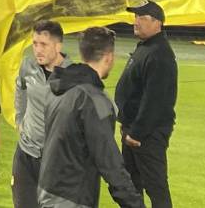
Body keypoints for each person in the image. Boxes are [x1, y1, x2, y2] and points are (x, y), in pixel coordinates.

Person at [39, 26, 144, 208]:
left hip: (48, 191)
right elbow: (110, 163)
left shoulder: (58, 88)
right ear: (109, 57)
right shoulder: (93, 100)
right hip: (72, 197)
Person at [114, 1, 177, 207]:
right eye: (135, 17)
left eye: (142, 18)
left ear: (157, 23)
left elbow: (155, 101)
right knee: (131, 187)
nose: (136, 22)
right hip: (134, 130)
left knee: (155, 188)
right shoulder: (147, 47)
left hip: (146, 135)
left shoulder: (159, 53)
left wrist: (136, 133)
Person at [12, 20, 69, 208]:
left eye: (44, 44)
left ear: (58, 46)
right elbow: (20, 89)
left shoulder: (73, 74)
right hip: (26, 154)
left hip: (58, 160)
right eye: (35, 44)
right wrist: (20, 119)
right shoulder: (27, 65)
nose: (37, 50)